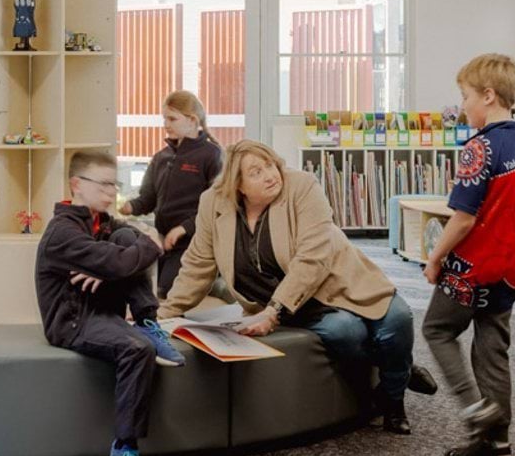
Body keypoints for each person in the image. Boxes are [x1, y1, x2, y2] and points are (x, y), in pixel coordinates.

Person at [160, 139, 436, 433]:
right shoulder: (213, 203)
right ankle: (399, 372)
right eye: (255, 172)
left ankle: (393, 399)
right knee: (345, 332)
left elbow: (312, 258)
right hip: (298, 303)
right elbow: (198, 265)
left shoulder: (302, 186)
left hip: (339, 279)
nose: (270, 175)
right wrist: (165, 311)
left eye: (270, 164)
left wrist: (274, 312)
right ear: (237, 185)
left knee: (397, 320)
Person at [35, 149, 187, 456]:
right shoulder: (62, 232)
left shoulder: (102, 223)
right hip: (72, 322)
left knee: (124, 239)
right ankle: (124, 450)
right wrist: (120, 263)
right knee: (138, 349)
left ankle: (148, 320)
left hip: (102, 311)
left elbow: (135, 239)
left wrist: (108, 270)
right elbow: (136, 254)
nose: (110, 192)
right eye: (102, 184)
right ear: (77, 184)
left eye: (113, 184)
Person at [421, 54, 515, 456]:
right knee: (492, 351)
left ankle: (474, 408)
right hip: (508, 269)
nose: (463, 105)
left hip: (471, 269)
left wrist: (435, 257)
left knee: (436, 329)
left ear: (488, 96)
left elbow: (464, 217)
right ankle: (496, 447)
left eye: (465, 96)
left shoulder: (479, 147)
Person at [116, 90, 223, 296]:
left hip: (193, 243)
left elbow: (217, 208)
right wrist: (127, 207)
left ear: (192, 120)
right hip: (164, 243)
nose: (166, 124)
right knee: (141, 283)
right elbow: (147, 200)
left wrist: (183, 228)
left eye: (172, 118)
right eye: (164, 118)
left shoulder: (212, 156)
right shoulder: (160, 157)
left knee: (165, 289)